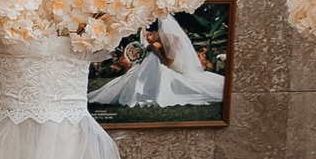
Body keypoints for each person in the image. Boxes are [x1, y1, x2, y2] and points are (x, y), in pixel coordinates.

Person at [88, 15, 226, 111]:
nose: (147, 38)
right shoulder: (154, 43)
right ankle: (139, 85)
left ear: (157, 31)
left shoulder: (170, 41)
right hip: (153, 70)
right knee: (149, 59)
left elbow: (168, 64)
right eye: (145, 35)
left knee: (154, 59)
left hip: (171, 70)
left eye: (150, 35)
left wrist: (155, 51)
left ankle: (145, 89)